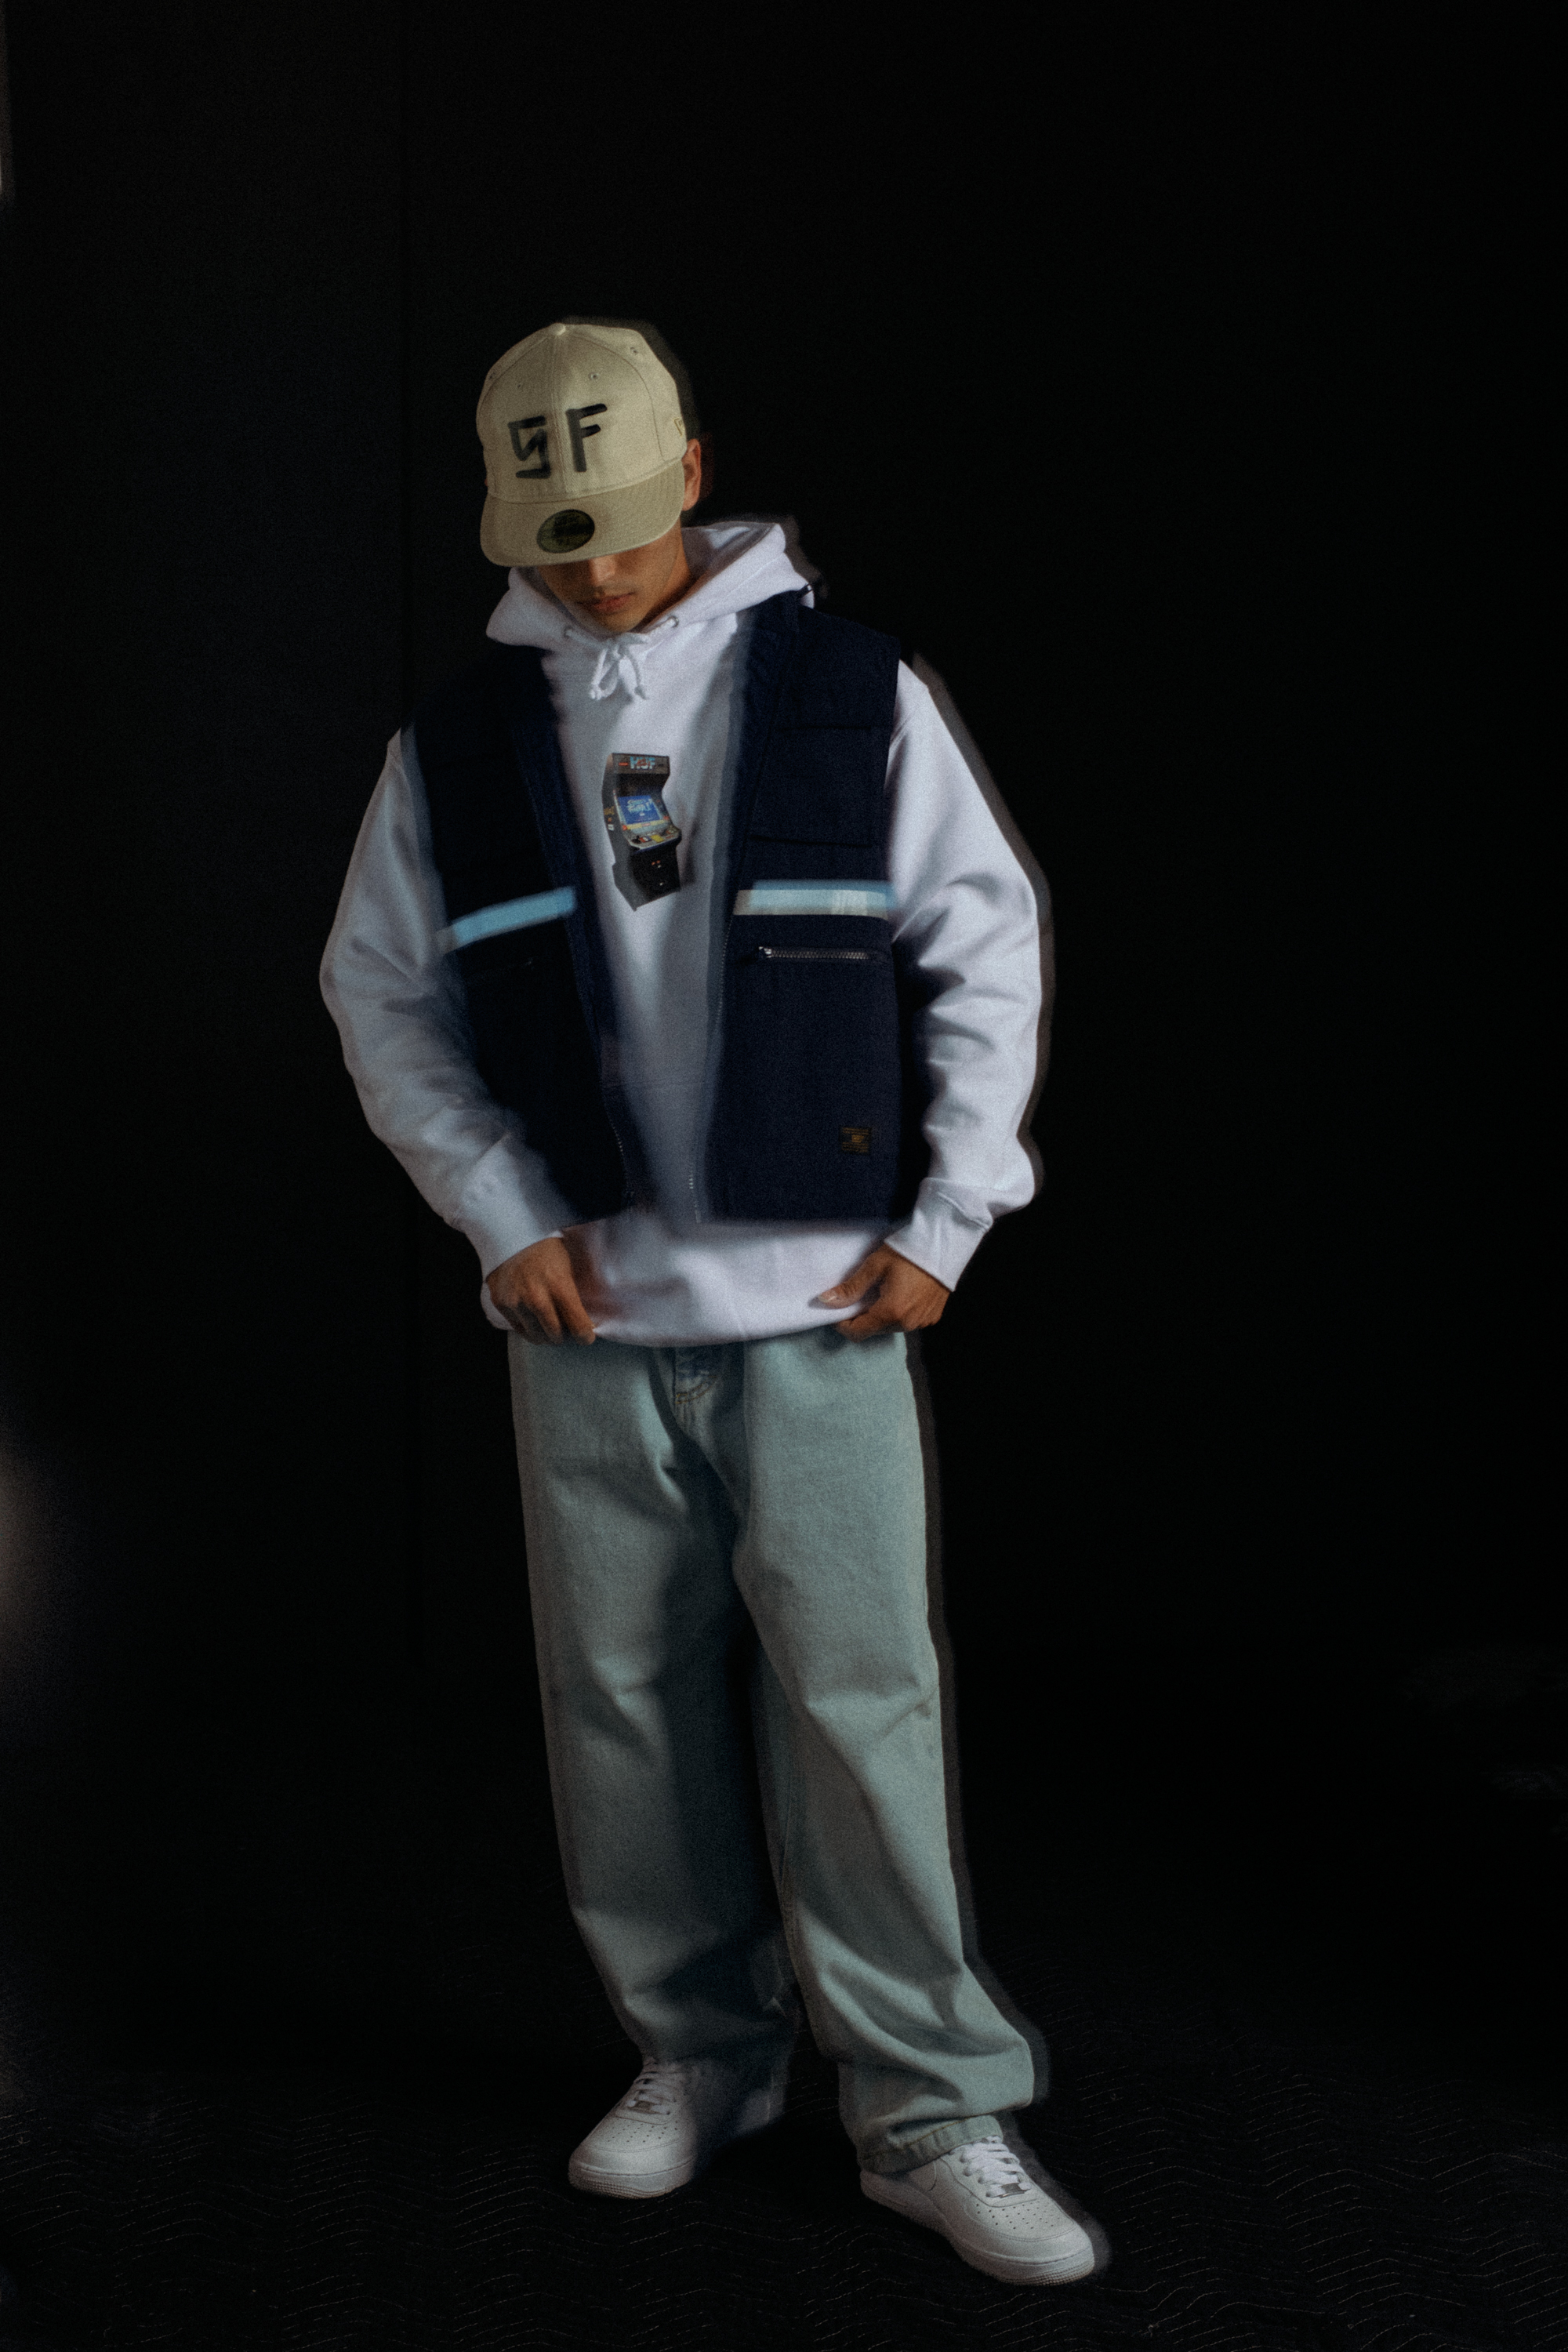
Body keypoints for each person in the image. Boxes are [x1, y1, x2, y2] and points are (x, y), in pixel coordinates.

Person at [321, 318, 1102, 2288]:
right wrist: (499, 1210)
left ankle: (927, 2104)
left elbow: (983, 942)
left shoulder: (848, 687)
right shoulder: (459, 739)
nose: (592, 572)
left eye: (618, 520)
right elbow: (379, 990)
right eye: (550, 537)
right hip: (590, 1319)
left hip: (821, 1303)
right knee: (618, 1709)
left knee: (859, 1705)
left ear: (690, 470)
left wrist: (952, 1216)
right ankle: (700, 2050)